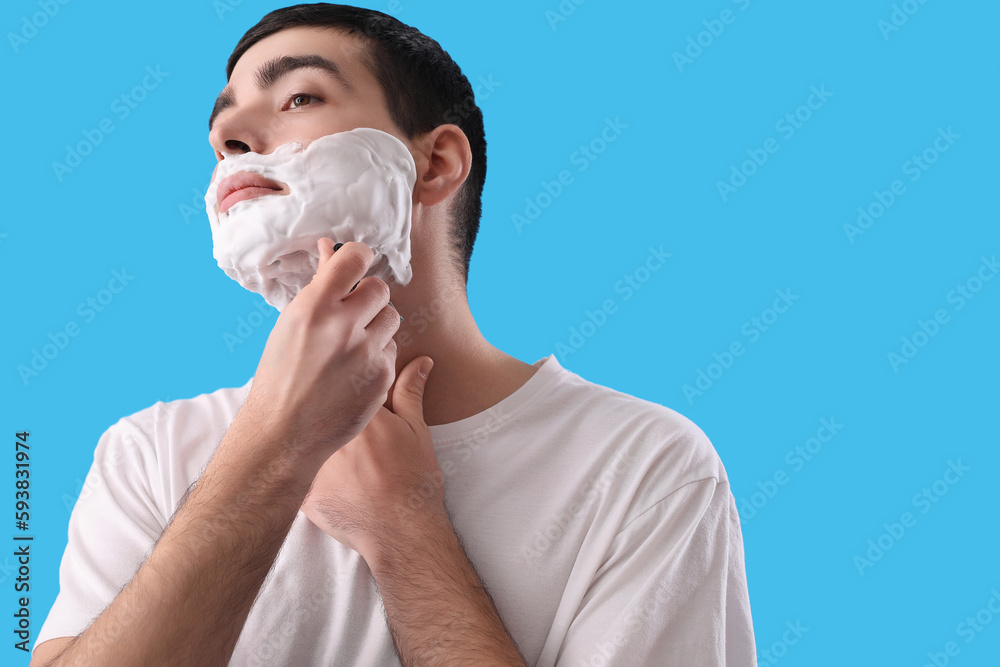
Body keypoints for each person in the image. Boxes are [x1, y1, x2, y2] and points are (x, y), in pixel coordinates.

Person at [32, 4, 756, 665]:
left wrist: (404, 528)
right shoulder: (149, 453)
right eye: (225, 134)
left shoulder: (645, 467)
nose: (231, 137)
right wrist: (275, 447)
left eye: (298, 98)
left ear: (434, 164)